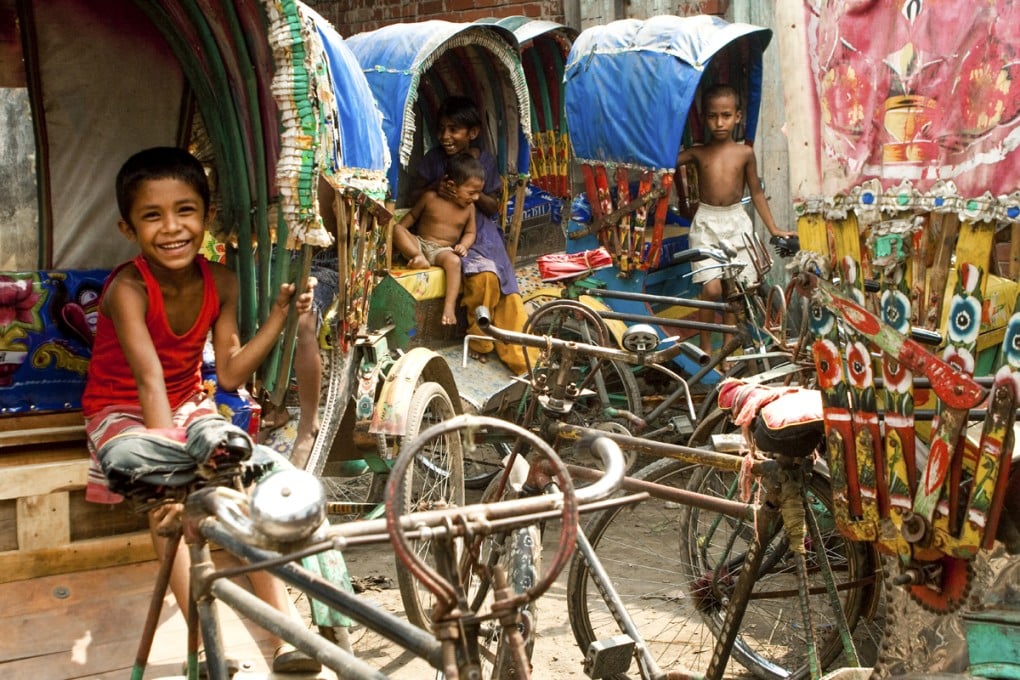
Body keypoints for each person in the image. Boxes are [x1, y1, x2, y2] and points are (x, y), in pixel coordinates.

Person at [81, 146, 320, 674]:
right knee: (166, 506)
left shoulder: (223, 281)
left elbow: (231, 374)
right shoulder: (128, 289)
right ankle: (203, 637)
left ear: (206, 216)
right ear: (128, 229)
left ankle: (286, 633)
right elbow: (146, 383)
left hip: (187, 400)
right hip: (121, 409)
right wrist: (171, 469)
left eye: (185, 210)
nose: (172, 228)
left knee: (237, 482)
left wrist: (280, 314)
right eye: (152, 216)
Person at [409, 95, 535, 373]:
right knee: (482, 277)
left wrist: (469, 194)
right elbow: (414, 194)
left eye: (454, 129)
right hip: (442, 230)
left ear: (473, 133)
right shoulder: (434, 160)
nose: (445, 136)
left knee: (495, 279)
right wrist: (437, 188)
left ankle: (518, 354)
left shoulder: (484, 161)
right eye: (442, 128)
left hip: (479, 229)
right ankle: (481, 340)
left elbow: (492, 205)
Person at [676, 83, 796, 354]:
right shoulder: (698, 152)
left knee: (735, 293)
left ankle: (730, 349)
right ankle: (705, 348)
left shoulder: (745, 153)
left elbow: (756, 193)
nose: (719, 122)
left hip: (736, 223)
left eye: (726, 115)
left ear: (738, 117)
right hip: (706, 223)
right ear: (704, 117)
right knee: (712, 290)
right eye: (712, 116)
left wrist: (774, 228)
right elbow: (665, 160)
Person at [393, 152, 483, 326]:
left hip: (441, 251)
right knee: (396, 229)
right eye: (472, 192)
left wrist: (464, 245)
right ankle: (417, 257)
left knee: (455, 262)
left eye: (478, 193)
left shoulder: (469, 208)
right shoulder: (430, 197)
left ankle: (449, 307)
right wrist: (399, 232)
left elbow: (470, 232)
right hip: (418, 244)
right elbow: (412, 216)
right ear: (451, 185)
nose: (477, 197)